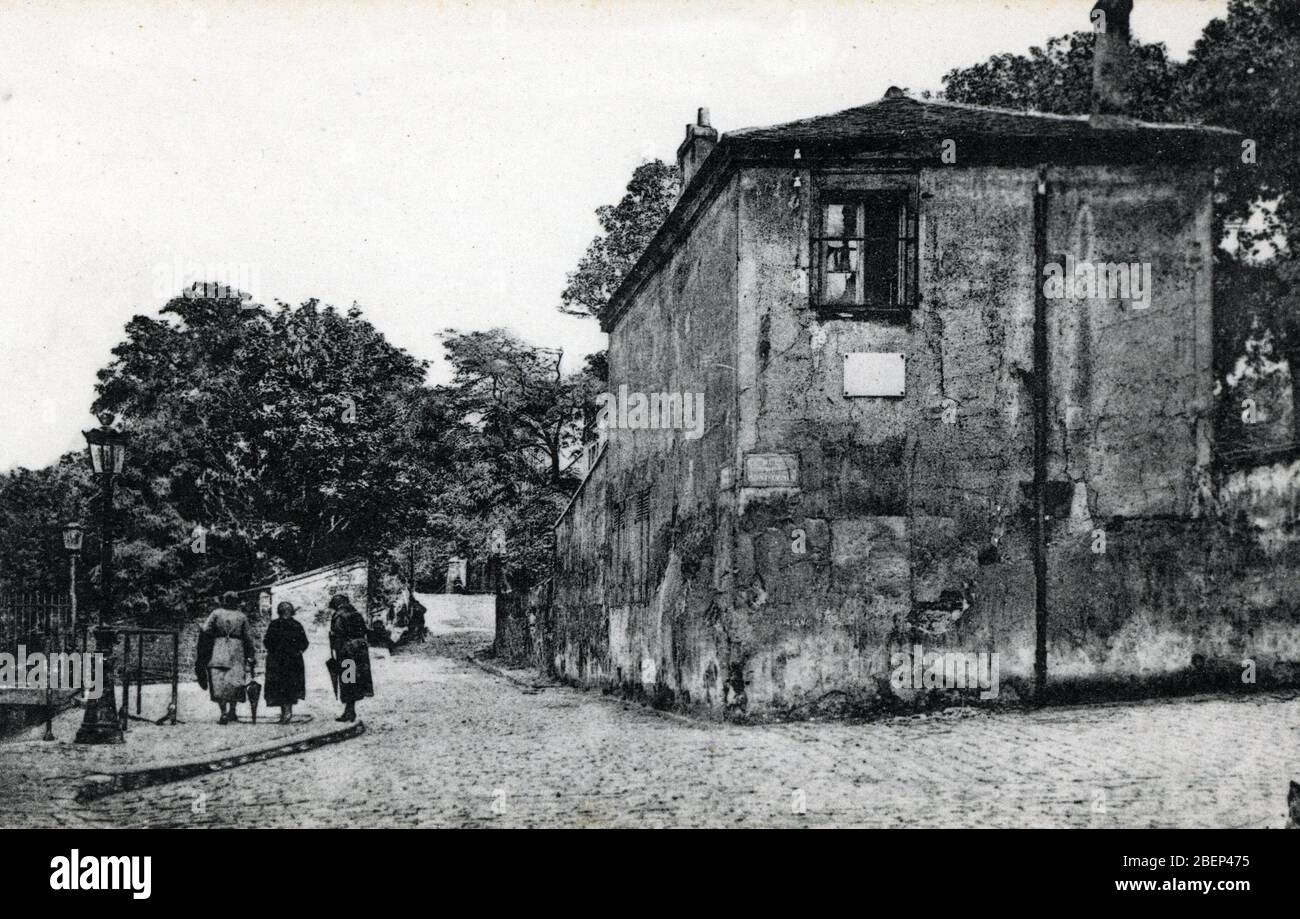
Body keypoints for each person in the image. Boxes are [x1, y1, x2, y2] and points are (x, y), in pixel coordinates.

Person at [195, 591, 256, 724]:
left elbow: (206, 630)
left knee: (219, 681)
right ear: (236, 602)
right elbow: (249, 638)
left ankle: (223, 713)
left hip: (219, 648)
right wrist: (251, 655)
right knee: (235, 680)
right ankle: (233, 711)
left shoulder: (216, 613)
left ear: (224, 601)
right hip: (237, 651)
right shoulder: (242, 616)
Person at [328, 594, 373, 722]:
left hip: (347, 652)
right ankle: (350, 710)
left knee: (348, 681)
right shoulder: (356, 613)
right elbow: (364, 631)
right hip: (360, 651)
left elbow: (338, 633)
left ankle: (349, 712)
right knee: (355, 681)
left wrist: (334, 642)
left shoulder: (339, 615)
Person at [263, 601, 308, 723]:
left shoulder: (274, 624)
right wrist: (297, 652)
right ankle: (287, 712)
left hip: (277, 661)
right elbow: (304, 643)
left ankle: (285, 713)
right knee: (290, 686)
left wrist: (274, 651)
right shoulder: (296, 625)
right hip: (293, 661)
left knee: (280, 686)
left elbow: (267, 642)